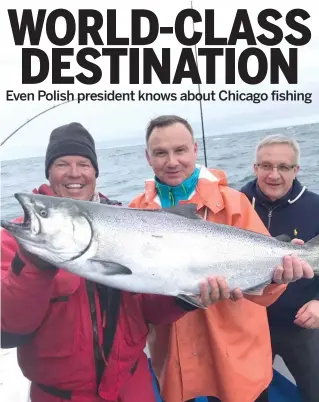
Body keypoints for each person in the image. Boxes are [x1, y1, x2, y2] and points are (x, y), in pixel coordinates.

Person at [1, 122, 229, 402]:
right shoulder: (16, 241)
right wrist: (35, 264)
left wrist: (184, 297)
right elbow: (8, 330)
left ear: (95, 172)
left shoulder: (127, 219)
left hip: (133, 385)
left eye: (84, 164)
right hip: (59, 395)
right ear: (49, 171)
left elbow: (148, 310)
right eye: (62, 164)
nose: (74, 173)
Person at [128, 115, 314, 402]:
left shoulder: (234, 204)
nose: (172, 161)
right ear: (147, 157)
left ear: (194, 150)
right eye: (160, 153)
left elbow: (263, 295)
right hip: (175, 359)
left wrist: (278, 278)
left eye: (180, 150)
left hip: (236, 358)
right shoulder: (135, 211)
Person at [241, 134, 319, 402]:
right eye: (266, 166)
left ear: (296, 170)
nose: (274, 175)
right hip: (245, 325)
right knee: (249, 395)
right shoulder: (234, 204)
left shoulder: (316, 206)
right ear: (255, 168)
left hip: (300, 324)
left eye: (284, 167)